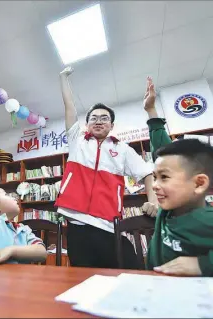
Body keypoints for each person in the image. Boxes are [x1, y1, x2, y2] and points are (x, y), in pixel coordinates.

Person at [55, 67, 158, 269]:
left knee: (132, 272)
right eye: (93, 118)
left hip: (108, 225)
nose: (98, 121)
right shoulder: (77, 141)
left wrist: (152, 200)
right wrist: (63, 78)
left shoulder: (122, 149)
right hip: (76, 225)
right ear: (86, 125)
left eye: (104, 118)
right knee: (83, 282)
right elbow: (69, 107)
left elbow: (147, 172)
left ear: (112, 125)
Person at [146, 139, 213, 282]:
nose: (154, 185)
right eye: (155, 177)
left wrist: (204, 264)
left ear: (199, 184)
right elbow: (159, 142)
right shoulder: (166, 209)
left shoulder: (207, 221)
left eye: (164, 177)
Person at [0, 117, 47, 266]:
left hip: (18, 284)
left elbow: (42, 253)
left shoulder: (23, 229)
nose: (14, 196)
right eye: (6, 195)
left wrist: (11, 251)